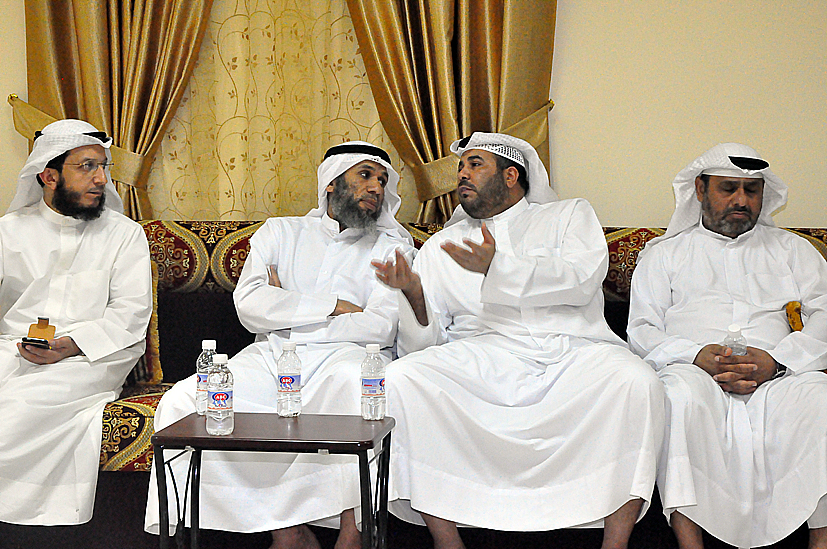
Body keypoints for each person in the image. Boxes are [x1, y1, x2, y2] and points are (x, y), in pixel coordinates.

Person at [372, 132, 664, 549]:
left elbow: (582, 280)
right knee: (402, 378)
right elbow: (428, 339)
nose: (462, 175)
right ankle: (446, 539)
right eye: (461, 167)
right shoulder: (442, 245)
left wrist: (500, 267)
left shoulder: (568, 216)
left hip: (571, 349)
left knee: (638, 382)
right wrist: (414, 293)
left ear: (511, 176)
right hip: (482, 354)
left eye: (475, 165)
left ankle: (615, 543)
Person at [145, 142, 415, 549]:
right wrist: (336, 307)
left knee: (355, 388)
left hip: (348, 357)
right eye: (364, 176)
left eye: (382, 179)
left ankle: (351, 533)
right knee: (187, 401)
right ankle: (289, 533)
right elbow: (251, 309)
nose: (376, 186)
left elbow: (380, 326)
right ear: (330, 183)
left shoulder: (392, 247)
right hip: (270, 355)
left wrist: (287, 310)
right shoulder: (280, 231)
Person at [627, 143, 827, 549]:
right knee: (676, 395)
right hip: (694, 370)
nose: (741, 200)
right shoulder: (664, 255)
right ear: (700, 191)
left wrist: (778, 361)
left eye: (751, 191)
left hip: (777, 376)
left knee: (819, 397)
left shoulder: (795, 251)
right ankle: (690, 543)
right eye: (728, 189)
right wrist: (694, 356)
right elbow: (643, 329)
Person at [0, 119, 153, 525]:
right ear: (49, 176)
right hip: (13, 347)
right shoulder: (8, 232)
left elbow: (131, 313)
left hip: (94, 354)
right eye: (86, 166)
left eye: (103, 167)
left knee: (20, 406)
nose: (101, 178)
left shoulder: (124, 234)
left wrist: (68, 345)